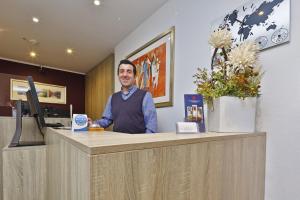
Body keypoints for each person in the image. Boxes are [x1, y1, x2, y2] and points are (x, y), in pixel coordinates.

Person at [90, 59, 158, 134]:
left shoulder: (145, 96)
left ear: (134, 76)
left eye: (129, 72)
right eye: (121, 71)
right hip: (117, 142)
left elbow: (151, 126)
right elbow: (106, 121)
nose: (125, 75)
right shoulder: (112, 97)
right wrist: (92, 123)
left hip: (138, 143)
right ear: (118, 75)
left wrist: (144, 144)